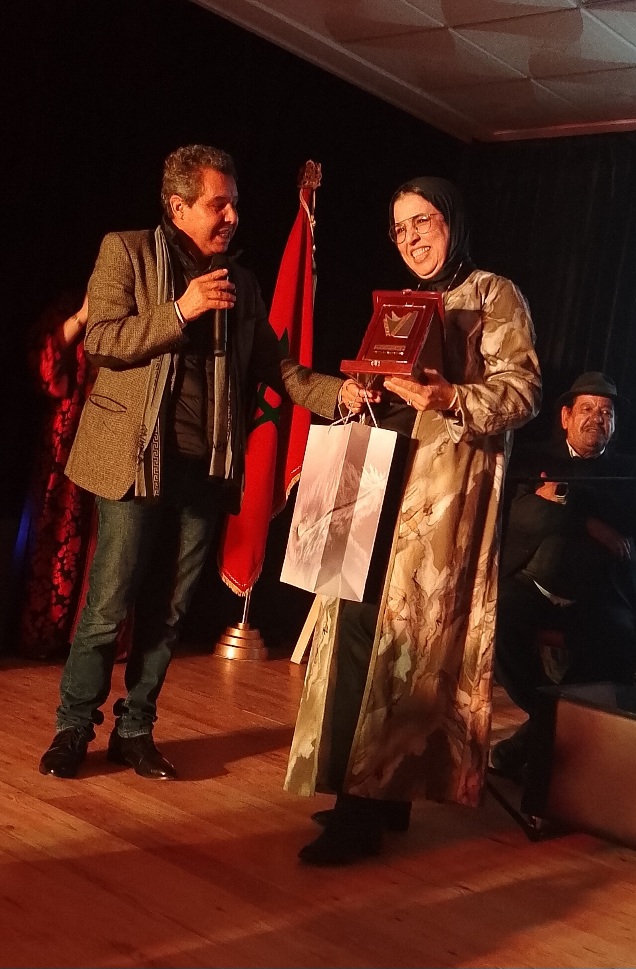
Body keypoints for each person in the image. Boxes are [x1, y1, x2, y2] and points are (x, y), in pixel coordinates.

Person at [39, 144, 370, 781]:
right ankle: (73, 727)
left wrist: (340, 395)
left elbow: (280, 368)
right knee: (109, 603)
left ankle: (135, 729)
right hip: (132, 461)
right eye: (219, 205)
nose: (232, 217)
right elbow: (101, 340)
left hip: (205, 467)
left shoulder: (240, 283)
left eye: (235, 205)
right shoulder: (126, 251)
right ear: (178, 206)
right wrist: (181, 310)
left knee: (170, 611)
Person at [284, 176, 541, 864]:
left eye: (422, 221)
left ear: (452, 220)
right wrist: (364, 390)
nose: (411, 238)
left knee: (401, 647)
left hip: (437, 498)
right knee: (354, 632)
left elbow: (523, 391)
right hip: (373, 479)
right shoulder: (400, 305)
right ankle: (375, 794)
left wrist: (450, 396)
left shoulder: (493, 293)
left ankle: (361, 810)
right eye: (399, 228)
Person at [492, 371, 636, 779]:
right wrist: (592, 523)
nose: (597, 418)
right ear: (565, 416)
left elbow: (624, 525)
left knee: (622, 637)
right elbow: (523, 517)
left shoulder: (626, 472)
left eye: (606, 412)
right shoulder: (533, 459)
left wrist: (562, 503)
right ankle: (551, 719)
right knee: (495, 615)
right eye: (587, 409)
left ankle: (538, 732)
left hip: (596, 599)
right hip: (533, 588)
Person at [18, 292, 132, 662]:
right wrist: (83, 316)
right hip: (67, 450)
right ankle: (47, 633)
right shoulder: (68, 308)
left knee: (111, 544)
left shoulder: (138, 312)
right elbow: (45, 371)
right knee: (58, 543)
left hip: (116, 443)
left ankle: (97, 641)